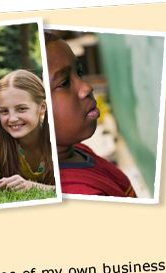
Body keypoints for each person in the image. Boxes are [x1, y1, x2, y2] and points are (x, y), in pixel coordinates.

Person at [44, 32, 137, 198]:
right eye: (64, 83)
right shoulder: (81, 194)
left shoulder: (77, 150)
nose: (86, 88)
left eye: (79, 73)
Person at [0, 69, 55, 191]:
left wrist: (34, 187)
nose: (13, 118)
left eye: (21, 108)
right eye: (4, 111)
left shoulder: (57, 134)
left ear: (42, 107)